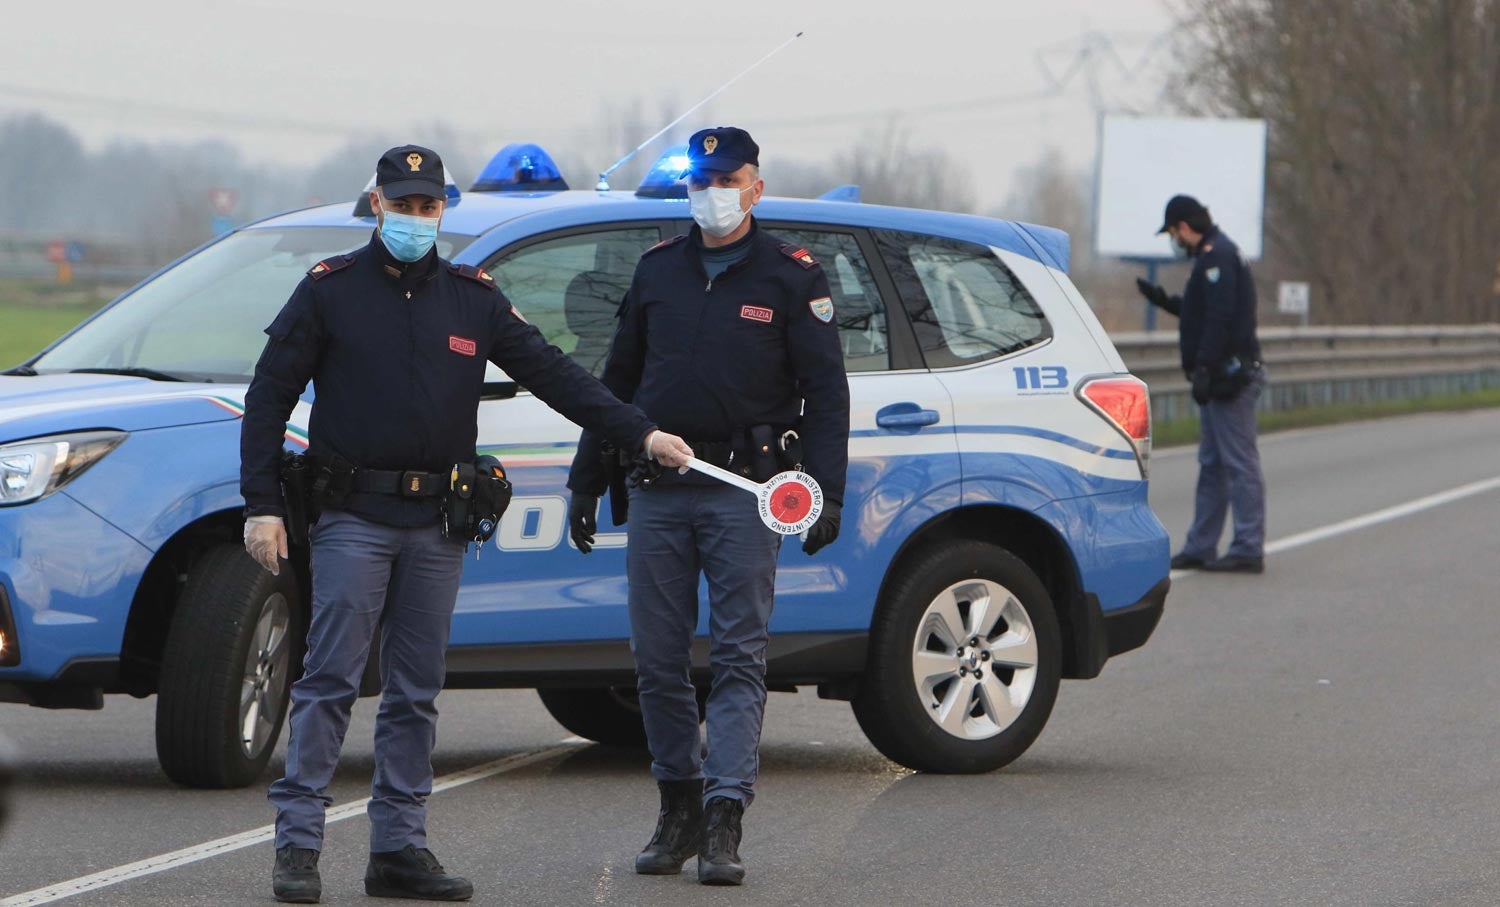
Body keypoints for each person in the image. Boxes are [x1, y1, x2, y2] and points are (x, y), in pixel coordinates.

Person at [240, 144, 692, 904]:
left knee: (416, 692)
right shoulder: (329, 291)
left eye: (428, 205)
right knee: (329, 681)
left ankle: (398, 848)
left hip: (437, 524)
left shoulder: (472, 299)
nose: (416, 217)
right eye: (403, 204)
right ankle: (299, 843)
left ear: (443, 208)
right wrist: (262, 505)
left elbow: (557, 376)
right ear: (377, 204)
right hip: (354, 517)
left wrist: (640, 433)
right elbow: (267, 397)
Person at [566, 126, 850, 886]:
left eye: (726, 180)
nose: (713, 194)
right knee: (657, 662)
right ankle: (678, 804)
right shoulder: (658, 268)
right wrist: (587, 477)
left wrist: (827, 492)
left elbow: (827, 393)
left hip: (747, 494)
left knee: (737, 658)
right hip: (659, 489)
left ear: (756, 186)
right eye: (701, 181)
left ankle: (725, 815)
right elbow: (617, 381)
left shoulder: (791, 275)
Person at [1136, 194, 1267, 574]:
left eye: (1172, 234)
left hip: (1230, 377)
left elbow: (1220, 317)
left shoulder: (1217, 256)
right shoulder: (1215, 255)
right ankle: (1201, 546)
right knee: (1213, 464)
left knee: (1238, 464)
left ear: (1183, 227)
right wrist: (1166, 302)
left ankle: (1248, 546)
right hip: (1220, 376)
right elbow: (1203, 310)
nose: (1174, 242)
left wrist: (1206, 368)